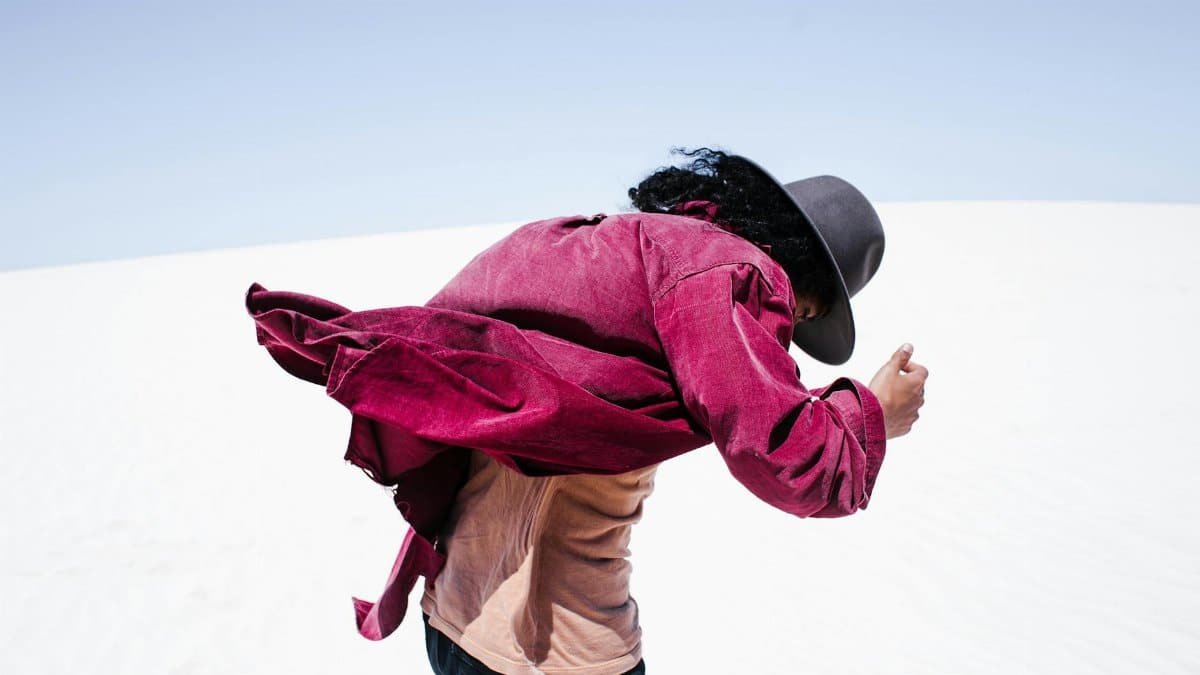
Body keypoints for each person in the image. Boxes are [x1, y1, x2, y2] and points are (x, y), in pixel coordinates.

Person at [411, 147, 927, 674]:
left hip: (454, 615)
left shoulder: (623, 248)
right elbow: (788, 459)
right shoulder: (731, 275)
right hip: (559, 649)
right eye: (803, 309)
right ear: (797, 273)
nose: (788, 325)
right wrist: (873, 414)